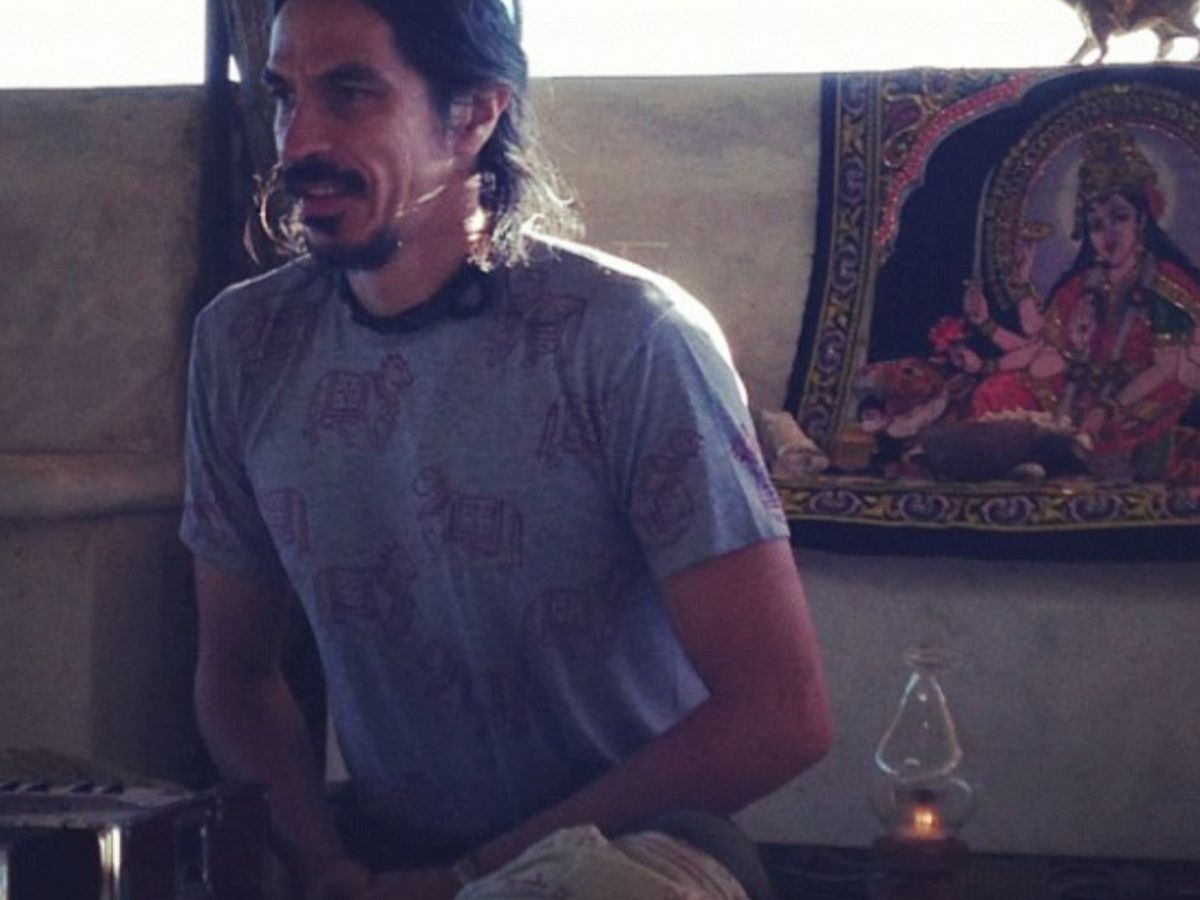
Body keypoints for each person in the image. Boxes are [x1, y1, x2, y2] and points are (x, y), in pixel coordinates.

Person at [179, 1, 832, 898]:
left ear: (476, 113)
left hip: (637, 849)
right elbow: (236, 676)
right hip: (382, 848)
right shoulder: (244, 344)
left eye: (352, 93)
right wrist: (322, 865)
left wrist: (472, 878)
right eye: (287, 97)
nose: (299, 142)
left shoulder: (629, 338)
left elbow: (781, 714)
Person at [960, 125, 1200, 481]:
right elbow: (1044, 347)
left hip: (1140, 393)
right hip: (1075, 388)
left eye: (1120, 217)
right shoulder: (1081, 284)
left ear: (1142, 220)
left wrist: (1107, 406)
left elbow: (1166, 369)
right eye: (1096, 224)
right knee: (997, 393)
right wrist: (991, 323)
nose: (1108, 234)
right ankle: (1025, 471)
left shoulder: (1165, 286)